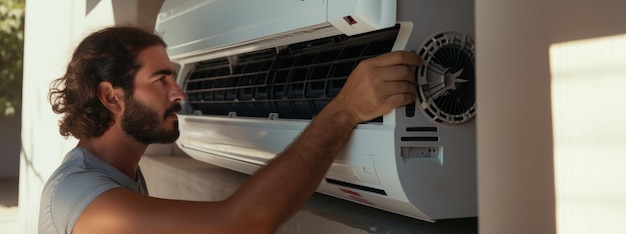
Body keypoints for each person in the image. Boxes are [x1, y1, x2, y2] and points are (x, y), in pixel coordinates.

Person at [39, 26, 422, 234]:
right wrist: (344, 110)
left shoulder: (123, 175)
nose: (178, 92)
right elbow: (241, 224)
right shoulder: (83, 194)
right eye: (161, 80)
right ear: (111, 96)